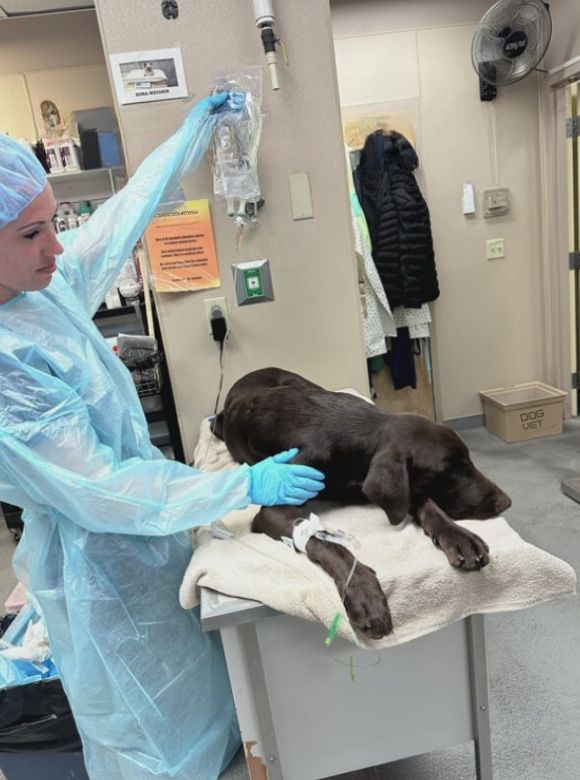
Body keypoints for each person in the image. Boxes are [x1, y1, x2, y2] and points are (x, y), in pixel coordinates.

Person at [0, 92, 326, 780]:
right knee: (147, 729)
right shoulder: (5, 363)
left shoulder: (40, 293)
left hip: (148, 540)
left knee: (203, 698)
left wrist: (187, 138)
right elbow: (103, 490)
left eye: (52, 223)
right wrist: (241, 483)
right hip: (102, 567)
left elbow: (114, 225)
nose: (54, 246)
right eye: (31, 234)